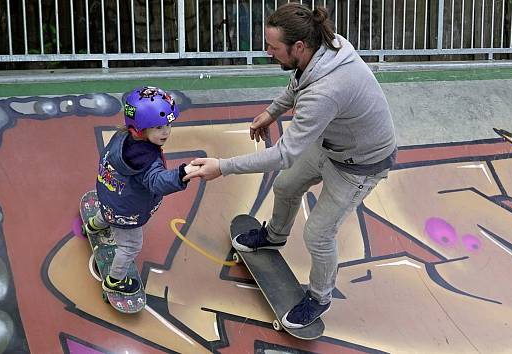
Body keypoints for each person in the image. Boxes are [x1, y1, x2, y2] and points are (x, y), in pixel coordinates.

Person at [184, 3, 397, 328]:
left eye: (273, 47)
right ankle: (275, 236)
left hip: (360, 166)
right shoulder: (321, 50)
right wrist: (272, 111)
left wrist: (222, 166)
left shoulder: (327, 90)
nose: (268, 52)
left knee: (318, 234)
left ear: (298, 46)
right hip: (331, 144)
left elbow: (283, 154)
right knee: (286, 185)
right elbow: (299, 83)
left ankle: (319, 297)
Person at [83, 86, 191, 295]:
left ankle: (93, 226)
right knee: (130, 247)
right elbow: (157, 182)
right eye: (159, 127)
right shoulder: (146, 161)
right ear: (140, 129)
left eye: (168, 124)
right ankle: (114, 281)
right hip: (127, 212)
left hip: (108, 194)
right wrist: (182, 174)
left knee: (108, 211)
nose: (166, 131)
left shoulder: (122, 137)